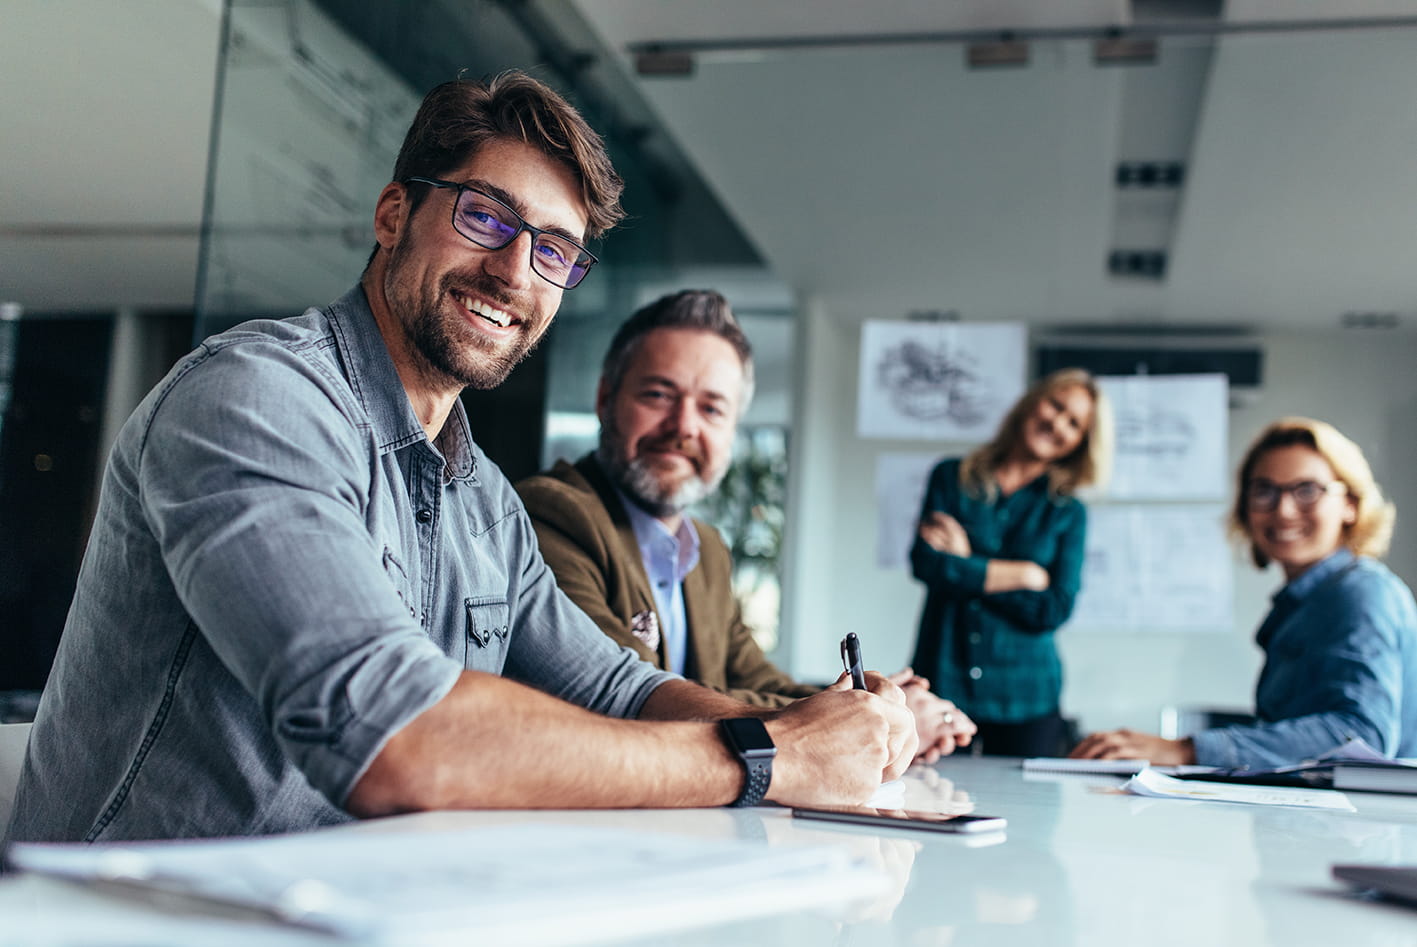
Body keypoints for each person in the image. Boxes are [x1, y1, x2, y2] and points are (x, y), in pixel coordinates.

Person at [4, 73, 916, 845]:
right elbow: (394, 736)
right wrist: (767, 757)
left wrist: (815, 730)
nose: (516, 273)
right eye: (486, 218)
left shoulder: (480, 495)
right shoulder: (256, 397)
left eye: (554, 251)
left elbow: (616, 685)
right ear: (394, 212)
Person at [516, 290, 977, 762]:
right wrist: (865, 719)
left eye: (712, 408)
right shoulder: (554, 514)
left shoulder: (706, 550)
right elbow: (631, 693)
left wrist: (869, 707)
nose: (684, 426)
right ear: (605, 398)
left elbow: (753, 679)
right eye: (658, 395)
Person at [1070, 417, 1417, 768]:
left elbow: (1363, 737)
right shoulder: (1305, 603)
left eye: (1307, 490)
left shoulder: (1362, 595)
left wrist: (1187, 750)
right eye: (1264, 491)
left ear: (1351, 504)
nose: (1283, 509)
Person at [908, 368, 1112, 757]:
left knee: (1029, 815)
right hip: (943, 680)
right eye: (1056, 405)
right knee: (927, 802)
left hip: (1027, 697)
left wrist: (966, 560)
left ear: (1081, 443)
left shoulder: (1068, 511)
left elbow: (1053, 608)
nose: (1057, 423)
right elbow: (927, 565)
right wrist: (1023, 574)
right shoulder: (951, 477)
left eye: (1074, 423)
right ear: (1034, 401)